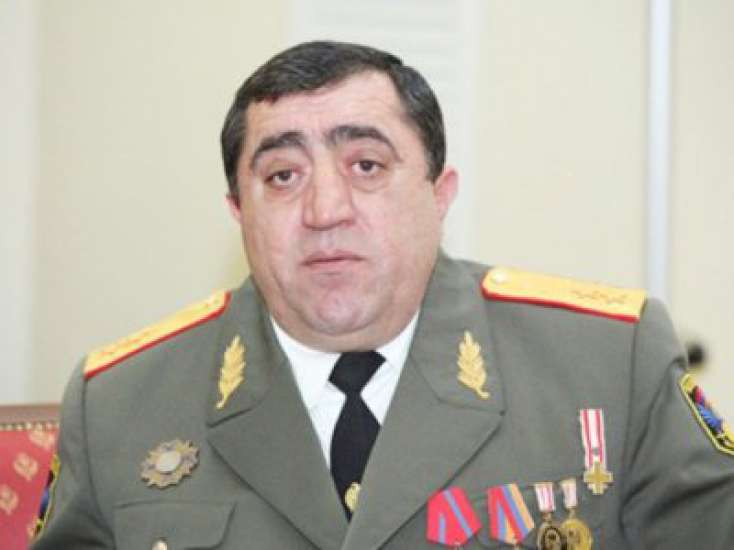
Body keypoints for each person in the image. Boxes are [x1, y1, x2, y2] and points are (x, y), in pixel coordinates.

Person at [33, 41, 734, 550]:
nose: (325, 210)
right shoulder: (118, 404)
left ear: (440, 194)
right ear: (238, 213)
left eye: (366, 165)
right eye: (282, 176)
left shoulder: (610, 364)